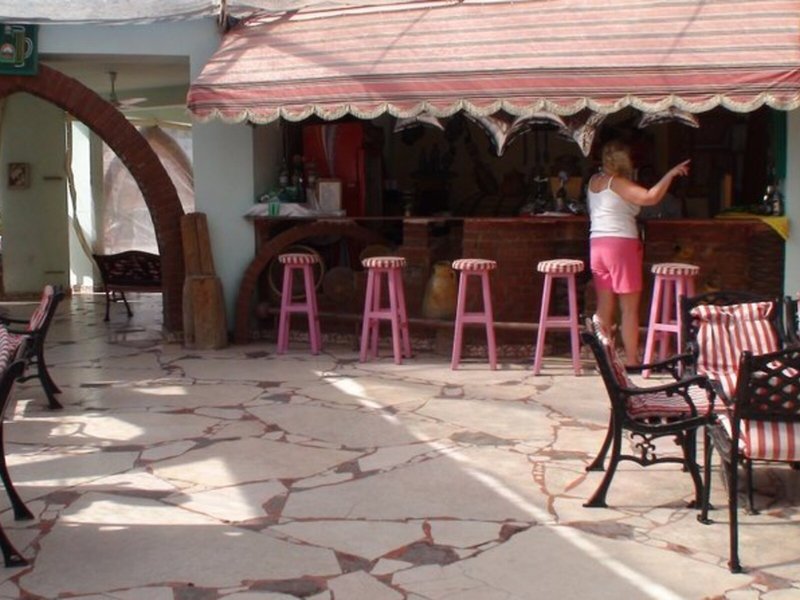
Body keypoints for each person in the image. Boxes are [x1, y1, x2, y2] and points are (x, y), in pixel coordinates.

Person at [587, 140, 690, 366]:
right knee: (629, 309)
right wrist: (670, 174)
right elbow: (650, 197)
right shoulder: (619, 183)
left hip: (597, 244)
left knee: (604, 307)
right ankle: (632, 360)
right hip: (621, 245)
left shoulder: (594, 181)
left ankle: (604, 359)